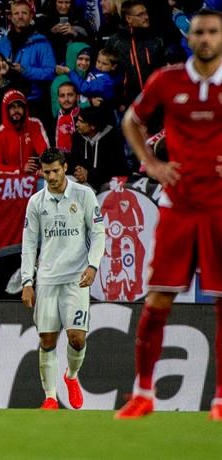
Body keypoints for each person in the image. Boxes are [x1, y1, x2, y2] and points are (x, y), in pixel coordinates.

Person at [115, 9, 222, 420]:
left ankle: (220, 400)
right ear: (189, 38)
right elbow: (131, 120)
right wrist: (152, 165)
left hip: (218, 208)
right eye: (200, 32)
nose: (207, 38)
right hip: (178, 206)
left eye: (213, 32)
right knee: (158, 299)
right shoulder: (167, 79)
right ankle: (143, 393)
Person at [21, 147, 105, 410]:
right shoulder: (36, 202)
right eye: (46, 172)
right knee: (47, 340)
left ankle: (71, 376)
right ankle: (49, 397)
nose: (52, 176)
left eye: (55, 171)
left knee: (77, 338)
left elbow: (99, 232)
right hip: (46, 279)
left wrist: (93, 265)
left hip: (76, 278)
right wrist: (27, 281)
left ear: (65, 168)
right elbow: (29, 244)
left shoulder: (84, 194)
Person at [105, 0, 165, 108]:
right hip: (126, 106)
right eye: (140, 15)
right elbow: (106, 73)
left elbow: (162, 72)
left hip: (155, 104)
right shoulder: (114, 42)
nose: (146, 17)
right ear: (128, 18)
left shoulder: (156, 40)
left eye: (146, 13)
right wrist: (118, 101)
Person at [0, 90, 50, 175]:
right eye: (12, 107)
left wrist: (44, 168)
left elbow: (45, 152)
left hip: (34, 178)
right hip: (10, 182)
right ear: (6, 110)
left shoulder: (35, 125)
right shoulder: (0, 133)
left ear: (25, 108)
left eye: (20, 106)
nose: (16, 110)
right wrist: (19, 170)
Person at [70, 106, 129, 191]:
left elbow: (113, 169)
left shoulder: (112, 139)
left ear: (92, 126)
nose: (76, 124)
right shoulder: (77, 136)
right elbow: (74, 160)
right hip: (86, 180)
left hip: (109, 184)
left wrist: (88, 175)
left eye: (81, 122)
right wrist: (78, 171)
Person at [55, 82, 80, 153]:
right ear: (58, 99)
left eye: (70, 95)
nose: (66, 99)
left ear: (77, 97)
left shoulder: (85, 118)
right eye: (62, 96)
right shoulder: (51, 121)